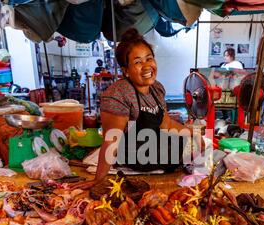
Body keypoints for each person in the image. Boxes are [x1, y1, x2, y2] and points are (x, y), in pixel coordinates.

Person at [80, 28, 201, 189]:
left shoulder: (157, 89)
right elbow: (111, 140)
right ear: (126, 71)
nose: (146, 66)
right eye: (138, 62)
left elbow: (166, 124)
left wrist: (195, 132)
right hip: (135, 159)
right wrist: (98, 181)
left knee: (195, 142)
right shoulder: (119, 93)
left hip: (157, 155)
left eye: (149, 59)